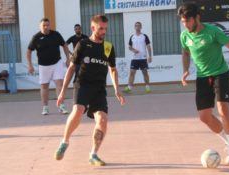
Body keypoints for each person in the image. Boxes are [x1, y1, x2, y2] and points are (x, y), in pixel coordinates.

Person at [178, 2, 229, 165]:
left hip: (220, 74)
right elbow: (185, 52)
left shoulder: (213, 31)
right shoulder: (185, 36)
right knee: (204, 116)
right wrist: (186, 69)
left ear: (197, 18)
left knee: (223, 109)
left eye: (187, 21)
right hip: (203, 78)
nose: (185, 25)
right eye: (182, 22)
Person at [54, 15, 125, 166]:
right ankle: (65, 142)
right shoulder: (83, 44)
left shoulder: (108, 47)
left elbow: (113, 70)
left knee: (103, 120)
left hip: (99, 89)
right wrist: (62, 92)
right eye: (101, 28)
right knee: (78, 110)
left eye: (105, 28)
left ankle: (93, 154)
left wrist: (117, 90)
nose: (104, 31)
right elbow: (72, 68)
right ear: (93, 28)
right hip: (82, 85)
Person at [27, 17, 70, 115]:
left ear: (50, 25)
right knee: (44, 86)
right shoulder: (36, 37)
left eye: (47, 25)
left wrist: (68, 59)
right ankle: (45, 107)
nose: (46, 27)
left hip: (57, 63)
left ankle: (61, 106)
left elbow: (64, 45)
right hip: (43, 66)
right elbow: (29, 51)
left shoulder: (56, 34)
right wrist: (30, 65)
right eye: (44, 25)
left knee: (60, 83)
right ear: (40, 26)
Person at [123, 22, 152, 93]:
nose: (137, 27)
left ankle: (147, 87)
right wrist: (134, 50)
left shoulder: (144, 36)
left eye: (139, 26)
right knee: (132, 73)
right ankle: (129, 87)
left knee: (145, 73)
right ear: (134, 27)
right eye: (136, 26)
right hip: (134, 58)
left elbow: (148, 46)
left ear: (141, 27)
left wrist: (150, 56)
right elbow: (129, 47)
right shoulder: (132, 37)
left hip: (143, 58)